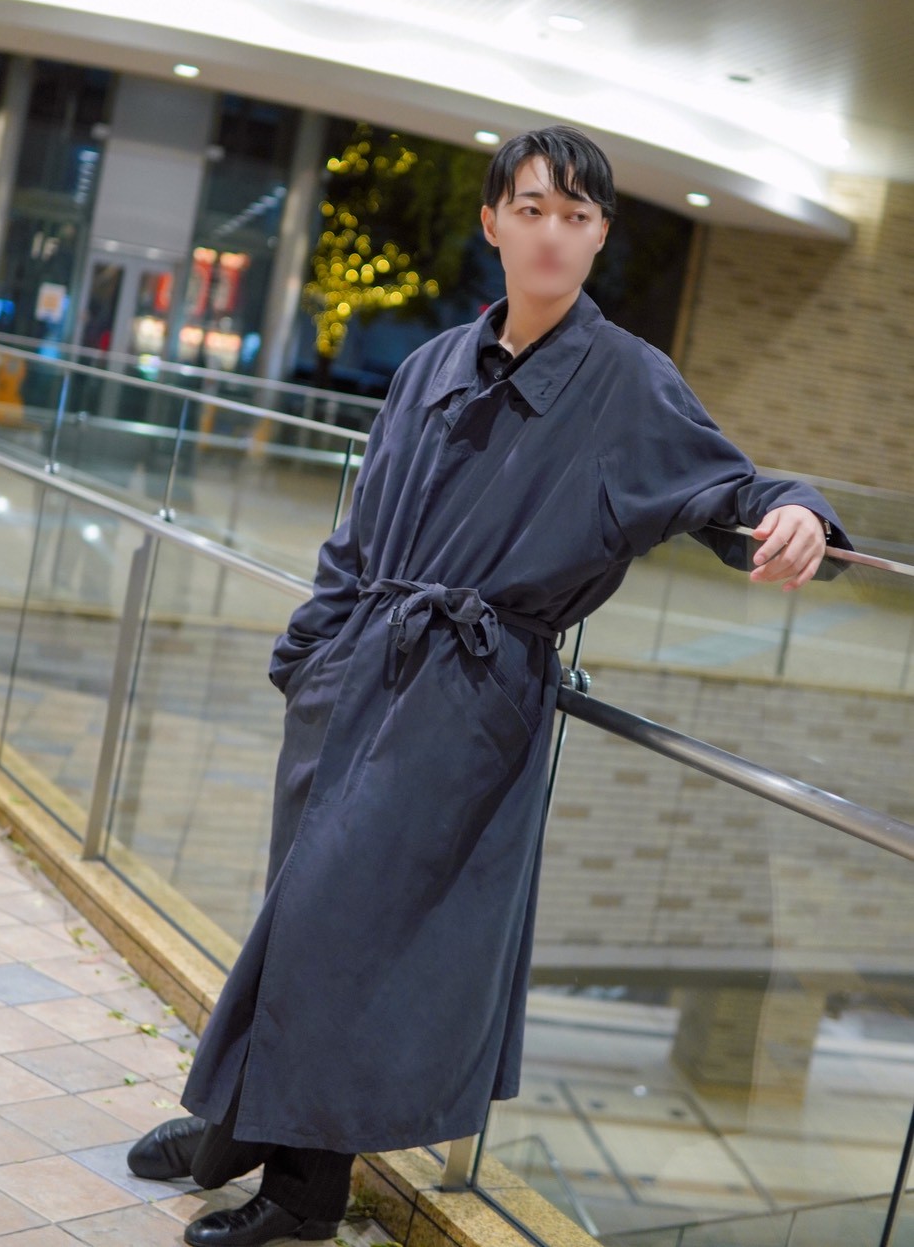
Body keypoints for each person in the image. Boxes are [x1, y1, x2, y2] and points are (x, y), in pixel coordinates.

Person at [127, 126, 850, 1247]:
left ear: (600, 236)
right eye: (530, 208)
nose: (551, 233)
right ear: (492, 223)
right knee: (300, 910)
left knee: (347, 925)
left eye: (575, 215)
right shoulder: (431, 363)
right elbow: (357, 531)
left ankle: (300, 1185)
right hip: (354, 676)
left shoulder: (625, 381)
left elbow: (730, 490)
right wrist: (309, 656)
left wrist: (800, 511)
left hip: (466, 701)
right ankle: (241, 1128)